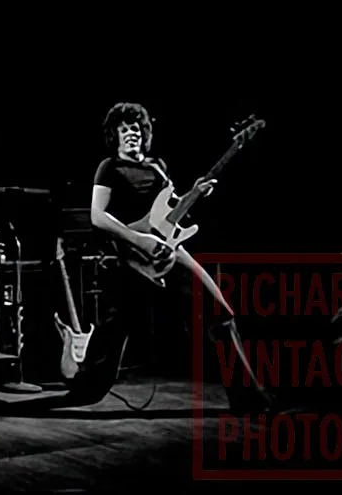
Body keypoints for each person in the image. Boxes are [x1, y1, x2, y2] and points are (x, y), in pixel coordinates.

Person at [87, 101, 273, 413]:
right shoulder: (110, 167)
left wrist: (196, 193)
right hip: (131, 258)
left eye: (135, 128)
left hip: (170, 251)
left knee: (221, 311)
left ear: (144, 133)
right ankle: (82, 390)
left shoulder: (158, 166)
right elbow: (97, 216)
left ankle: (249, 397)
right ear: (114, 136)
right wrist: (141, 240)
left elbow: (169, 215)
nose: (130, 134)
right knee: (112, 336)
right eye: (123, 129)